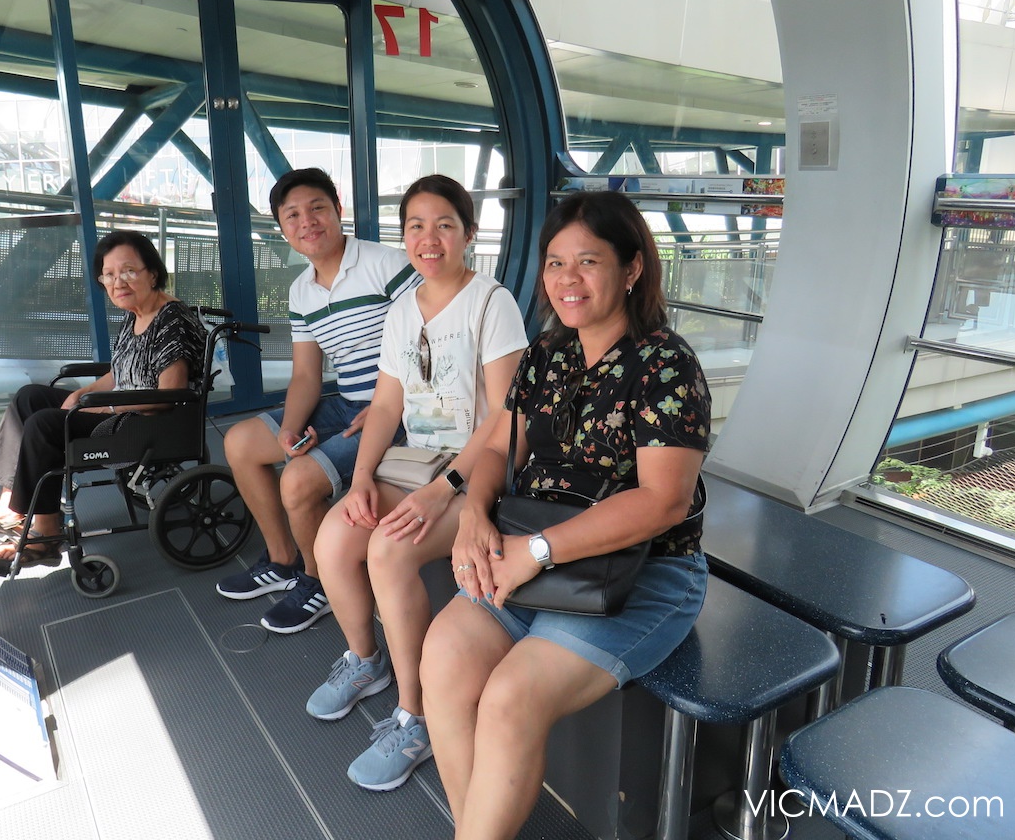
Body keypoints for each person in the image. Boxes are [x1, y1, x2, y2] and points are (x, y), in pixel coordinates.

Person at [420, 190, 711, 840]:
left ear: (632, 268)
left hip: (639, 574)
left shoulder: (667, 366)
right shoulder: (547, 356)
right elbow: (498, 445)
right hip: (530, 554)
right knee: (442, 655)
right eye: (555, 263)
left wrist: (538, 552)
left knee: (508, 699)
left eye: (588, 261)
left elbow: (662, 502)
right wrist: (473, 513)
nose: (566, 280)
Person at [308, 174, 528, 792]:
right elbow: (385, 405)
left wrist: (447, 487)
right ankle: (365, 661)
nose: (428, 239)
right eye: (415, 226)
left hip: (477, 470)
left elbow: (504, 420)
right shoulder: (404, 307)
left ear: (468, 233)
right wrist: (358, 481)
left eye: (444, 225)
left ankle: (417, 714)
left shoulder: (492, 303)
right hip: (413, 461)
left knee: (389, 549)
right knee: (334, 541)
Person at [215, 168, 419, 633]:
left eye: (317, 208)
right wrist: (291, 427)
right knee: (243, 443)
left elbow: (429, 341)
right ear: (282, 228)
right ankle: (284, 561)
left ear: (338, 210)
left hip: (398, 412)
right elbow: (307, 375)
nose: (307, 222)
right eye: (293, 215)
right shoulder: (301, 290)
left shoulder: (385, 265)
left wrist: (396, 404)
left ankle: (319, 581)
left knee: (299, 482)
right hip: (348, 403)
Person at [0, 230, 207, 568]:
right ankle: (12, 508)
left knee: (45, 425)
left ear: (153, 273)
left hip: (144, 424)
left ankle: (45, 534)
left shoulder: (171, 321)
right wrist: (84, 392)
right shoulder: (136, 312)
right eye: (109, 274)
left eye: (129, 271)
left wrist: (104, 405)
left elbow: (166, 397)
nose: (118, 281)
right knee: (30, 399)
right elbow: (121, 372)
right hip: (122, 410)